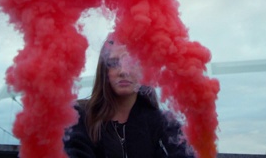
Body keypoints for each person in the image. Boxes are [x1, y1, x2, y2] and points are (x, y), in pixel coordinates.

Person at [64, 38, 194, 158]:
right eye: (114, 63)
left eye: (132, 62)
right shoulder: (79, 116)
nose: (123, 71)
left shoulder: (163, 123)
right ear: (104, 70)